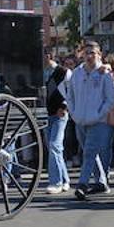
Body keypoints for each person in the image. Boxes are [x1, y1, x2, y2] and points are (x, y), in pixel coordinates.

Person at [64, 41, 114, 200]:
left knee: (89, 152)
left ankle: (82, 184)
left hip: (98, 121)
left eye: (92, 53)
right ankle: (101, 182)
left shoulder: (104, 73)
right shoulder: (77, 73)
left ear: (99, 54)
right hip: (80, 119)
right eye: (86, 53)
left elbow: (111, 99)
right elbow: (70, 96)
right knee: (90, 152)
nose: (89, 56)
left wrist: (100, 113)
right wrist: (73, 113)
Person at [43, 56, 71, 193]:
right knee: (54, 147)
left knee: (55, 144)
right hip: (46, 114)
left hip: (60, 114)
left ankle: (56, 182)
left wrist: (65, 106)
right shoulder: (40, 72)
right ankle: (65, 179)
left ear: (48, 57)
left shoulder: (64, 72)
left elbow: (71, 91)